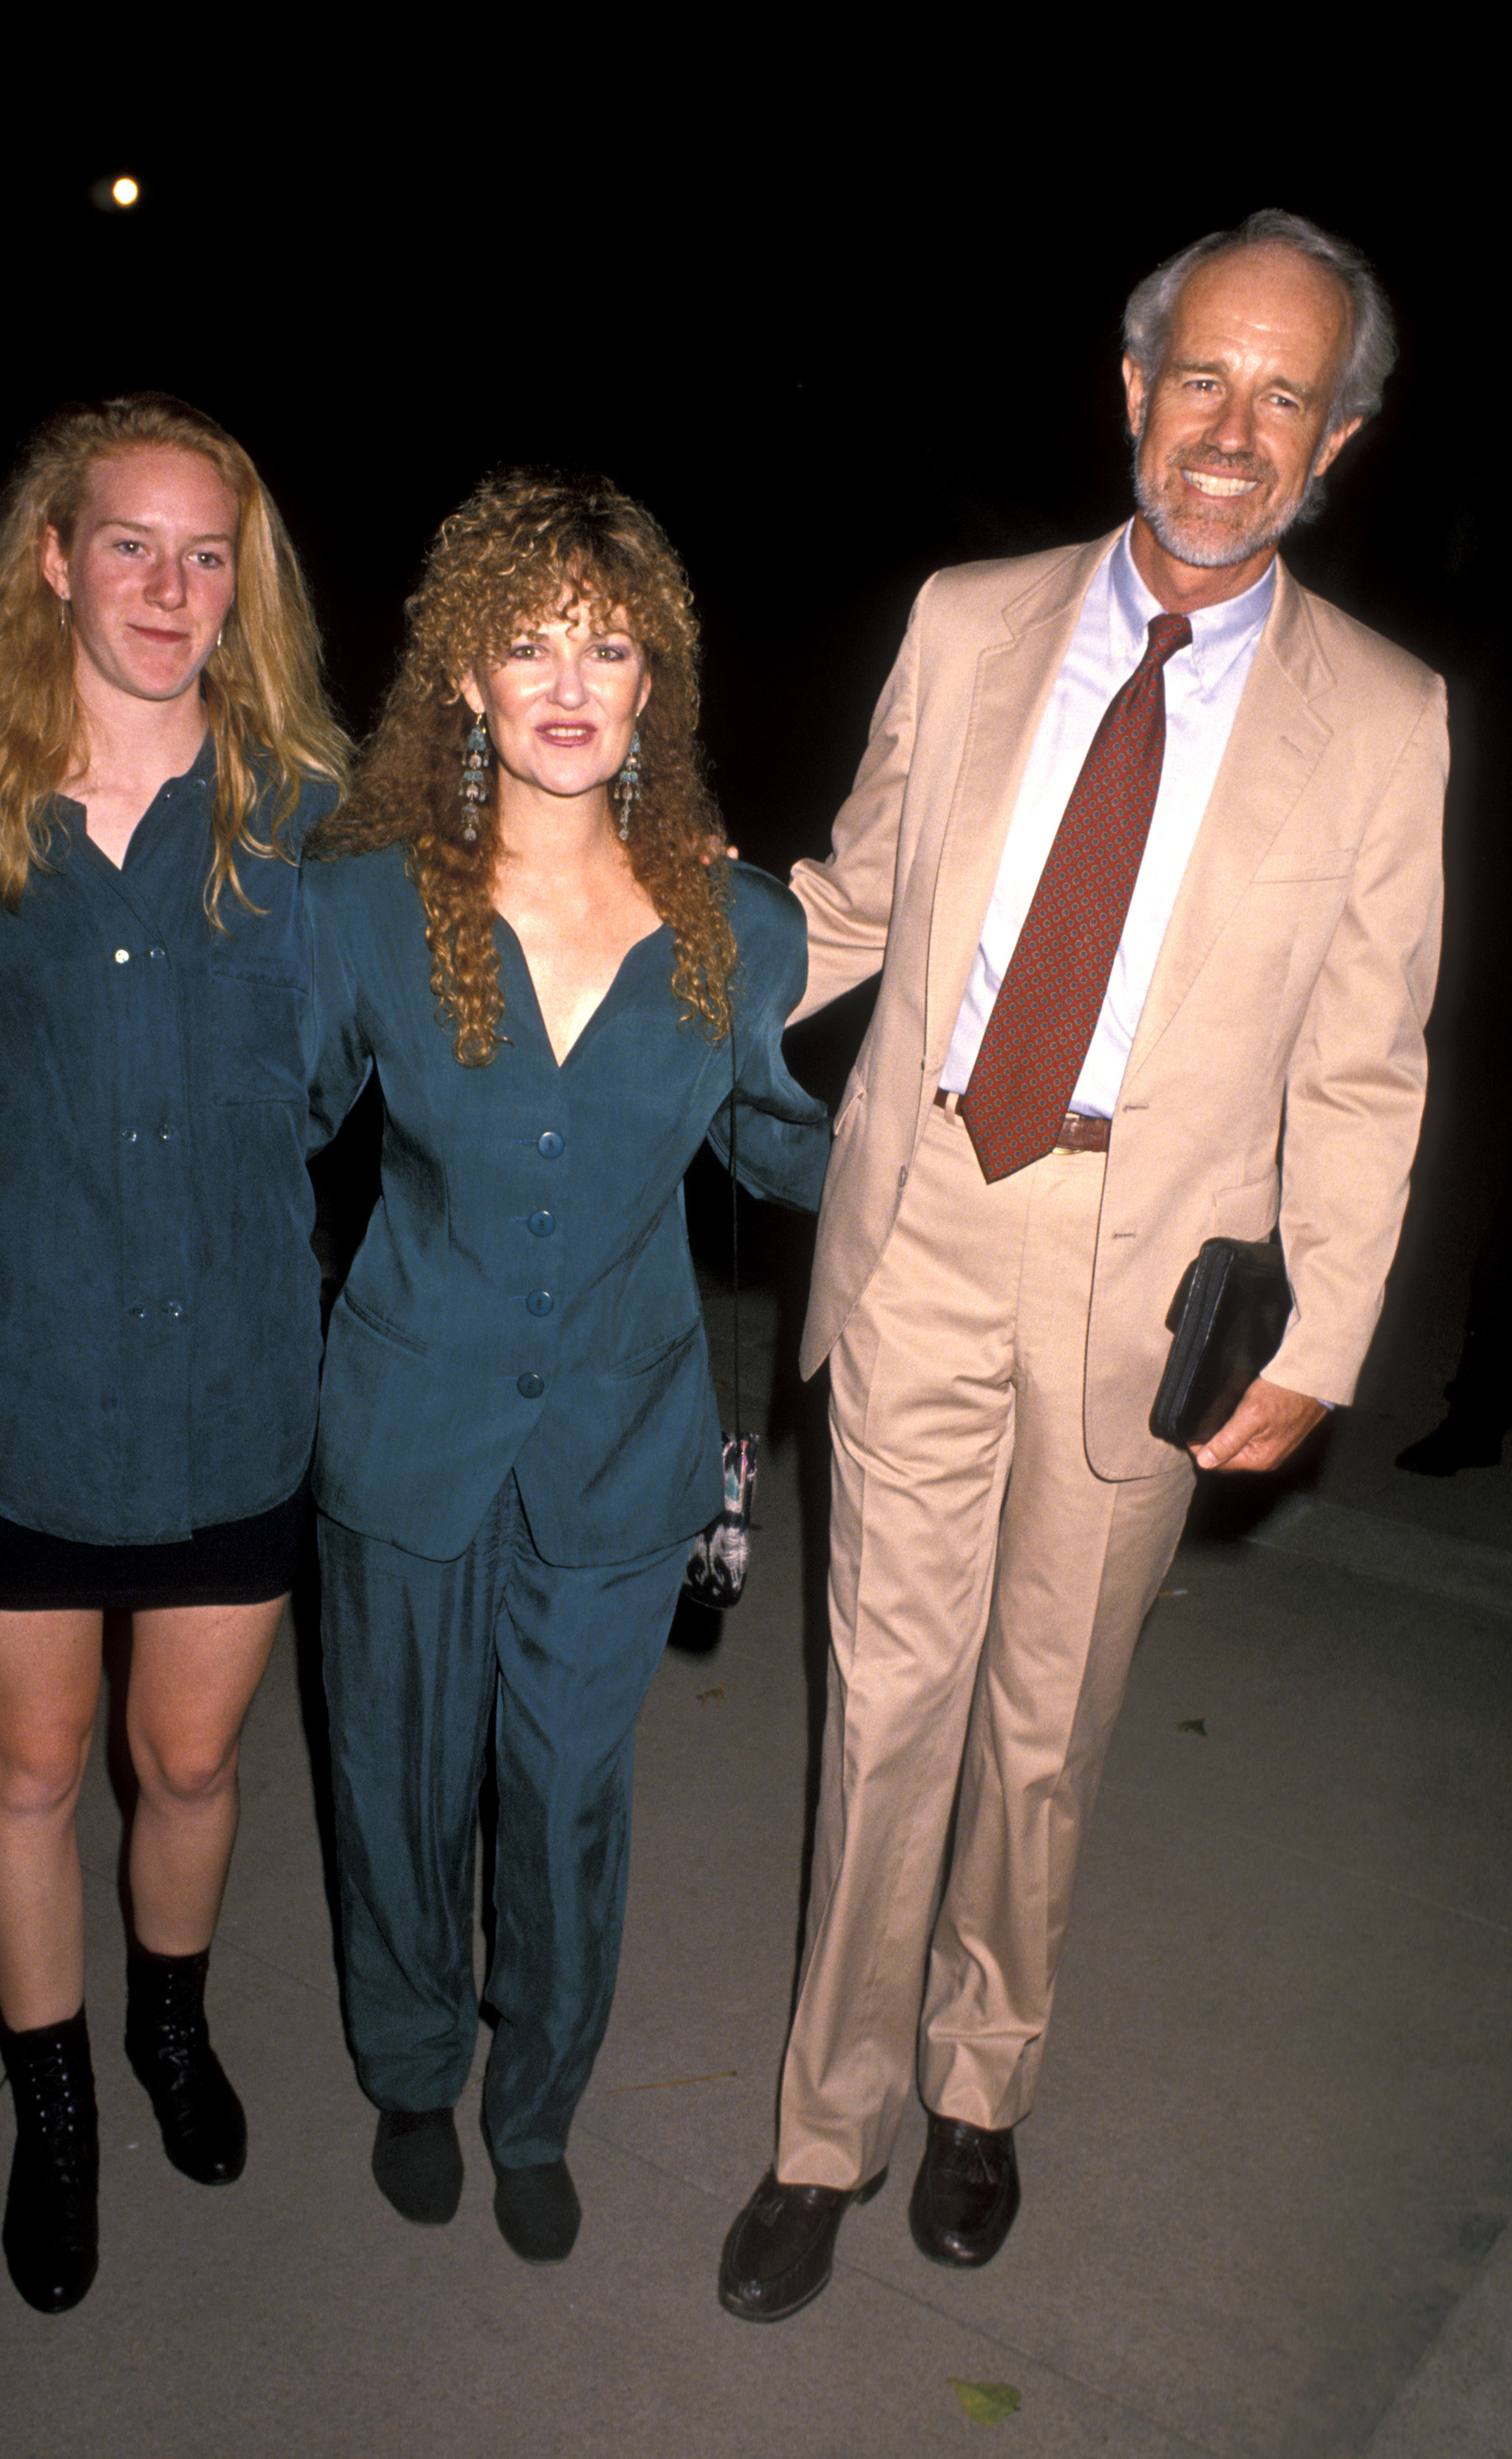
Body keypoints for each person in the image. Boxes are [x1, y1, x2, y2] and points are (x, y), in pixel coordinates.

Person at [718, 210, 1447, 2320]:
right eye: (1198, 379)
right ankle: (823, 2132)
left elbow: (1370, 1061)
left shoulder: (1386, 722)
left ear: (1342, 439)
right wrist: (639, 987)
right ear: (1132, 392)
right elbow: (847, 903)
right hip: (927, 1212)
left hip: (1158, 1271)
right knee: (884, 1710)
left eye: (1281, 397)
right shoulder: (965, 622)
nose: (1230, 431)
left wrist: (1318, 1334)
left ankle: (981, 2086)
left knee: (1045, 1723)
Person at [0, 395, 350, 2314]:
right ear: (54, 557)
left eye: (209, 555)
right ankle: (56, 2112)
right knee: (25, 1779)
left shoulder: (312, 823)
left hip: (237, 1393)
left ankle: (168, 2033)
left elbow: (441, 1039)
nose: (172, 587)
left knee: (185, 1766)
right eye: (133, 544)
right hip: (7, 1382)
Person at [304, 470, 827, 2264]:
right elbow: (261, 1127)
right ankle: (404, 2064)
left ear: (654, 680)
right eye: (525, 640)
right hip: (405, 1431)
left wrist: (992, 1124)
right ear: (460, 674)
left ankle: (536, 2108)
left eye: (609, 643)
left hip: (620, 1446)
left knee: (567, 1801)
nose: (568, 679)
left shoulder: (737, 928)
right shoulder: (365, 905)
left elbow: (783, 1147)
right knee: (392, 1772)